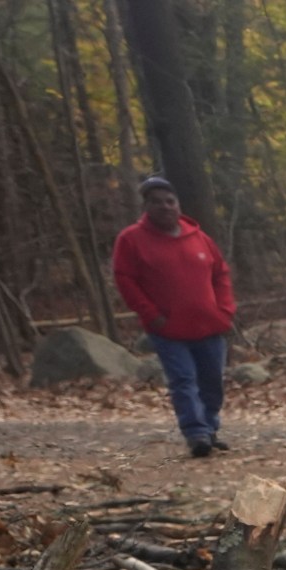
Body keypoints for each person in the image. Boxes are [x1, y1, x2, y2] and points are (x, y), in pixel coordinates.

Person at [111, 176, 234, 459]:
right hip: (168, 329)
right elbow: (125, 280)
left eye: (170, 201)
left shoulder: (199, 237)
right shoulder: (131, 240)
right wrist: (151, 315)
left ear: (178, 204)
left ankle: (210, 427)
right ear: (146, 207)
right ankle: (196, 433)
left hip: (209, 325)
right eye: (156, 202)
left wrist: (225, 309)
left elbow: (220, 273)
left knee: (212, 380)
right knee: (183, 380)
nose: (165, 207)